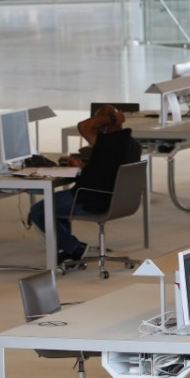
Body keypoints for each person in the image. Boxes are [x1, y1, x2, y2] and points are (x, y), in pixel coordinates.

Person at [28, 105, 141, 264]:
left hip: (91, 199)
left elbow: (83, 126)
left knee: (39, 211)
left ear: (104, 124)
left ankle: (74, 248)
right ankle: (64, 250)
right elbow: (107, 172)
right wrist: (82, 169)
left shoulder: (108, 142)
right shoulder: (131, 144)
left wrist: (113, 118)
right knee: (55, 206)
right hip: (118, 200)